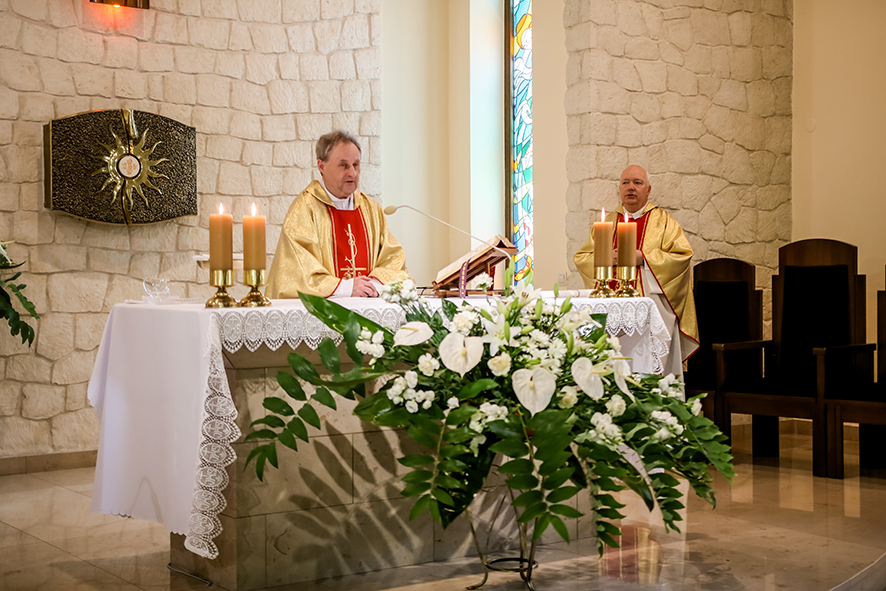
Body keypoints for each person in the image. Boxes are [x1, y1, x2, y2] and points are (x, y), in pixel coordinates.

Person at [574, 165, 699, 372]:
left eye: (637, 183)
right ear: (619, 189)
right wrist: (606, 259)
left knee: (647, 366)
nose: (630, 187)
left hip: (650, 307)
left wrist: (644, 259)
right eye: (625, 183)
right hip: (610, 307)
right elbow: (582, 257)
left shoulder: (663, 222)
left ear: (648, 190)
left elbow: (682, 256)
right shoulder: (607, 223)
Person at [266, 130, 411, 298]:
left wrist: (372, 285)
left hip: (369, 309)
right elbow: (296, 270)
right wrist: (346, 288)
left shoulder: (371, 209)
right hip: (324, 315)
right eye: (343, 165)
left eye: (355, 165)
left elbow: (393, 260)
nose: (352, 173)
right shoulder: (305, 209)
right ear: (321, 166)